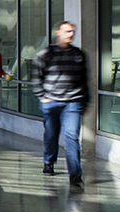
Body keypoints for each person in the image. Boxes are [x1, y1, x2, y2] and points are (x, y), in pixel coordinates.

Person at [31, 21, 90, 189]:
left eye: (72, 31)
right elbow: (36, 74)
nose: (70, 34)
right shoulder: (46, 54)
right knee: (51, 134)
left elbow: (84, 79)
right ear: (58, 32)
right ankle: (48, 162)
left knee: (72, 137)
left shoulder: (78, 54)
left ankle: (75, 175)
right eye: (67, 31)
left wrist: (85, 101)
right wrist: (42, 96)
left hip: (73, 102)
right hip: (52, 102)